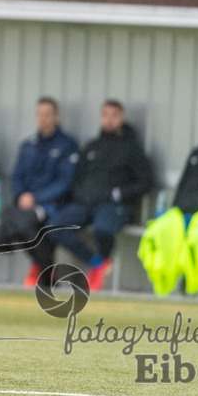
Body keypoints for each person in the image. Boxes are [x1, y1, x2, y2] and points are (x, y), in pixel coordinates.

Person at [47, 99, 154, 292]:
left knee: (102, 229)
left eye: (114, 115)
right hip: (85, 204)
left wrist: (120, 194)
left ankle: (100, 267)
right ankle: (96, 262)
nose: (109, 120)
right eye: (105, 115)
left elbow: (146, 182)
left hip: (113, 205)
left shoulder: (131, 149)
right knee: (54, 227)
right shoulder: (91, 147)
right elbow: (77, 177)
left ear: (121, 118)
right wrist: (81, 195)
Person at [138, 109, 198, 296]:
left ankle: (191, 285)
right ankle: (163, 285)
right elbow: (183, 184)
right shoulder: (196, 154)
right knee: (157, 231)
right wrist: (175, 208)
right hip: (184, 211)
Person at [0, 97, 79, 288]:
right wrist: (21, 196)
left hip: (52, 205)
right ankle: (44, 267)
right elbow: (17, 176)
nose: (43, 119)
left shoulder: (67, 145)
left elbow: (65, 182)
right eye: (40, 114)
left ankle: (42, 266)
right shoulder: (28, 145)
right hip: (25, 203)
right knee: (7, 222)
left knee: (22, 223)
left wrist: (36, 198)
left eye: (47, 115)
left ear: (56, 117)